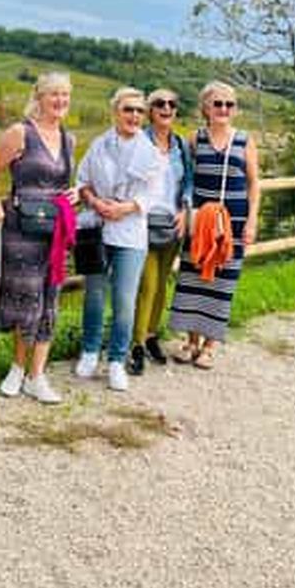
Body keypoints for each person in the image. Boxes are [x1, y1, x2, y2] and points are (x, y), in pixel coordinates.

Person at [74, 86, 165, 392]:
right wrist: (96, 203)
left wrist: (124, 208)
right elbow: (83, 181)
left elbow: (153, 194)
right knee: (94, 294)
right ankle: (90, 351)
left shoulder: (151, 153)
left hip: (130, 233)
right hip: (98, 228)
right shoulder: (99, 145)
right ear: (116, 112)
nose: (134, 116)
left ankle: (116, 360)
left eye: (139, 111)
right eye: (128, 109)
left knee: (124, 300)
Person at [0, 72, 77, 404]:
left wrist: (73, 194)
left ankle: (37, 376)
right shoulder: (20, 132)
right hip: (21, 230)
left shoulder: (69, 139)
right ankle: (16, 368)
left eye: (65, 95)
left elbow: (64, 183)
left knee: (50, 300)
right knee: (23, 298)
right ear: (39, 97)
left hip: (55, 231)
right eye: (54, 94)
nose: (60, 101)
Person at [169, 81, 260, 369]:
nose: (223, 109)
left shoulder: (245, 140)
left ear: (235, 109)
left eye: (229, 104)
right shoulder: (195, 139)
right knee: (193, 277)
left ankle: (210, 345)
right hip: (200, 221)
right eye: (217, 103)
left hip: (233, 222)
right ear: (206, 108)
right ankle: (191, 341)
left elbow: (254, 183)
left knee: (222, 281)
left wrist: (252, 221)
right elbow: (185, 179)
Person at [128, 87, 193, 376]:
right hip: (143, 223)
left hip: (172, 224)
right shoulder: (138, 141)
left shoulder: (180, 145)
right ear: (150, 110)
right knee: (147, 285)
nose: (166, 108)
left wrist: (185, 208)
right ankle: (136, 344)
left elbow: (188, 181)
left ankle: (152, 335)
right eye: (159, 103)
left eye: (171, 104)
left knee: (162, 284)